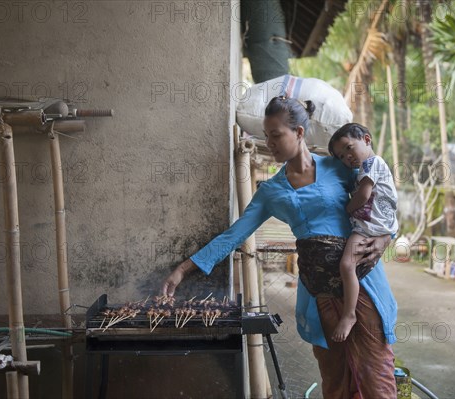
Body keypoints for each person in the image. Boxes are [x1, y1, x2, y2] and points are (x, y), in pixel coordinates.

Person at [162, 96, 398, 399]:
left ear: (299, 133)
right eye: (266, 136)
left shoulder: (338, 168)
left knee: (376, 376)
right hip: (320, 294)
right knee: (335, 378)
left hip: (363, 285)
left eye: (276, 135)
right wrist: (183, 270)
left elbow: (382, 197)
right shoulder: (272, 191)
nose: (270, 143)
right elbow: (235, 234)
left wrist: (386, 238)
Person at [328, 123, 399, 343]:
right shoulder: (367, 167)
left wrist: (346, 208)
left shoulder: (372, 162)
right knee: (353, 266)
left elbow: (364, 196)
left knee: (347, 265)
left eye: (349, 148)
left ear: (367, 140)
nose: (347, 157)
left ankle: (349, 315)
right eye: (341, 156)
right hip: (376, 227)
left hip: (370, 229)